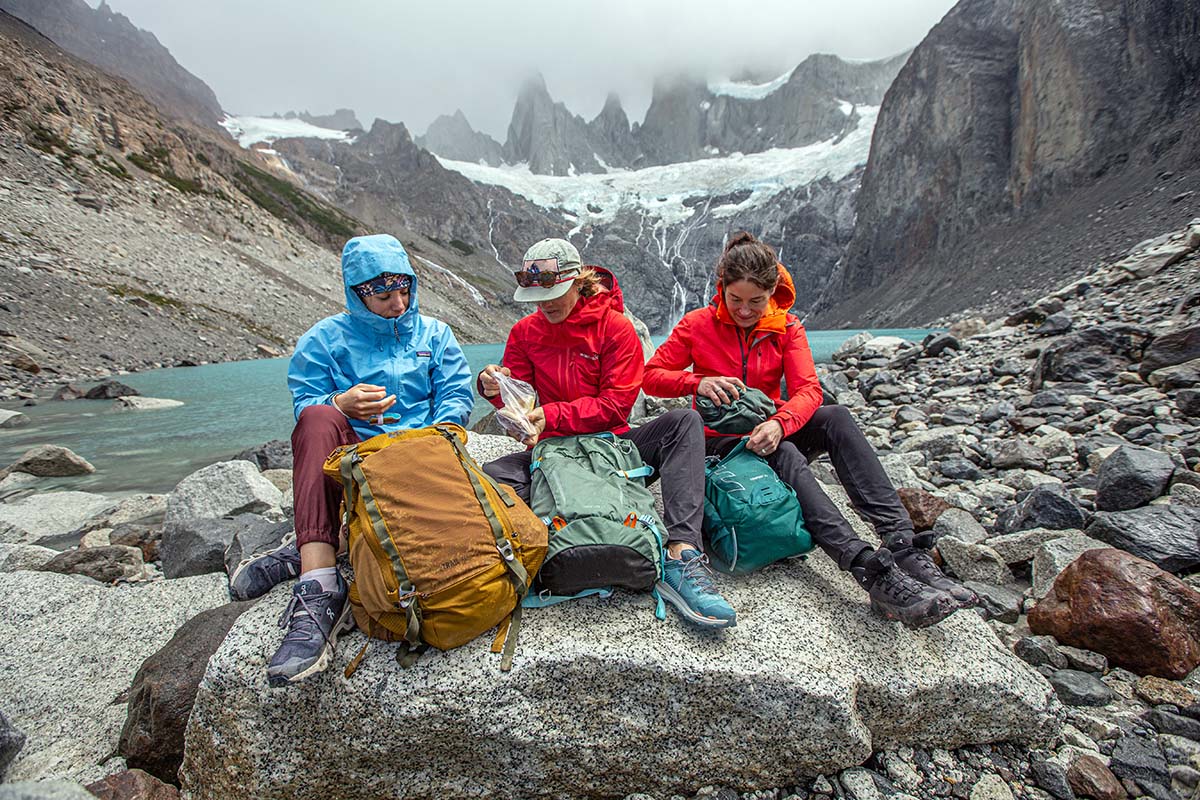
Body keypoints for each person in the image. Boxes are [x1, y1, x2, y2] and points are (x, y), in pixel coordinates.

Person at [642, 231, 976, 629]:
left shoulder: (786, 327)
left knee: (835, 417)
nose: (745, 311)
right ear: (721, 290)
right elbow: (651, 377)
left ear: (772, 292)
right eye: (735, 301)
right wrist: (696, 383)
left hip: (768, 429)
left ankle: (901, 544)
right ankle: (864, 567)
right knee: (785, 457)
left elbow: (808, 391)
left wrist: (780, 424)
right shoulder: (698, 325)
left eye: (755, 302)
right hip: (721, 444)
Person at [229, 233, 474, 686]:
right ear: (357, 292)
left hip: (417, 463)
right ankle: (320, 584)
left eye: (405, 291)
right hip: (351, 466)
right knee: (320, 419)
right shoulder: (324, 339)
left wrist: (438, 435)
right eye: (383, 295)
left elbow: (457, 396)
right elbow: (306, 404)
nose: (398, 303)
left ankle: (313, 546)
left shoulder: (436, 335)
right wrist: (341, 404)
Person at [478, 238, 736, 629]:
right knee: (489, 477)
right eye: (536, 295)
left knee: (684, 423)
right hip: (555, 454)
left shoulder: (615, 328)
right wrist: (495, 390)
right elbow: (521, 402)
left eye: (554, 293)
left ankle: (681, 552)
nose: (544, 303)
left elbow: (616, 405)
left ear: (578, 282)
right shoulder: (524, 332)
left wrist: (551, 416)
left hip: (613, 447)